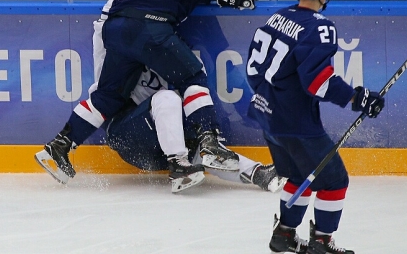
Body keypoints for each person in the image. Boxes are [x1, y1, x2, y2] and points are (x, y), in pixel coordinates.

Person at [35, 0, 266, 184]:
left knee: (109, 95)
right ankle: (210, 141)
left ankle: (59, 146)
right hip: (149, 27)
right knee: (193, 76)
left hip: (118, 26)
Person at [246, 0, 385, 254]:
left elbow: (253, 70)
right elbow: (319, 83)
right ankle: (322, 242)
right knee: (334, 180)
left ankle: (284, 234)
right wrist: (358, 99)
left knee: (300, 176)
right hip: (295, 122)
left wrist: (271, 98)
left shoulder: (277, 17)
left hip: (266, 115)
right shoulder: (319, 26)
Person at [104, 65, 287, 193]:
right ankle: (178, 166)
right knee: (166, 98)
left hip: (160, 153)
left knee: (207, 150)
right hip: (131, 139)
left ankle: (260, 175)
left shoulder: (185, 63)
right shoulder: (125, 52)